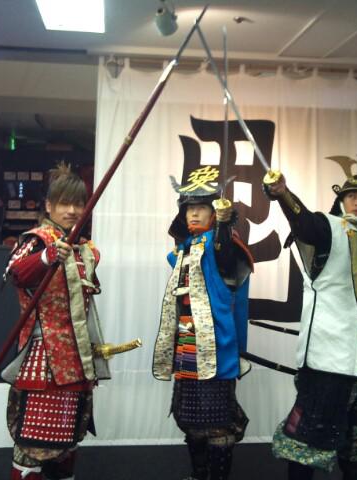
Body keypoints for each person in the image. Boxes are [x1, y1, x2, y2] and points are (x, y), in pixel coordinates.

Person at [263, 153, 357, 480]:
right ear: (341, 201)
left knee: (355, 440)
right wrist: (283, 194)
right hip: (326, 357)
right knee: (308, 438)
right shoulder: (329, 230)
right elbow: (305, 224)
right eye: (352, 195)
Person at [1, 163, 110, 480]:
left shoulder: (84, 247)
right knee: (33, 439)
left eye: (78, 204)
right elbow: (15, 273)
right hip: (43, 352)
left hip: (77, 354)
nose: (72, 211)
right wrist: (46, 257)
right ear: (49, 206)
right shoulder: (36, 240)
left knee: (67, 439)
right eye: (64, 203)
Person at [153, 166, 254, 480]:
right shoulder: (185, 249)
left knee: (218, 422)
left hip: (217, 346)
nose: (194, 214)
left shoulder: (222, 245)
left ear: (213, 212)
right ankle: (199, 475)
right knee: (191, 419)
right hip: (186, 342)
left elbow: (223, 253)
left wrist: (224, 223)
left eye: (201, 208)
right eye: (189, 208)